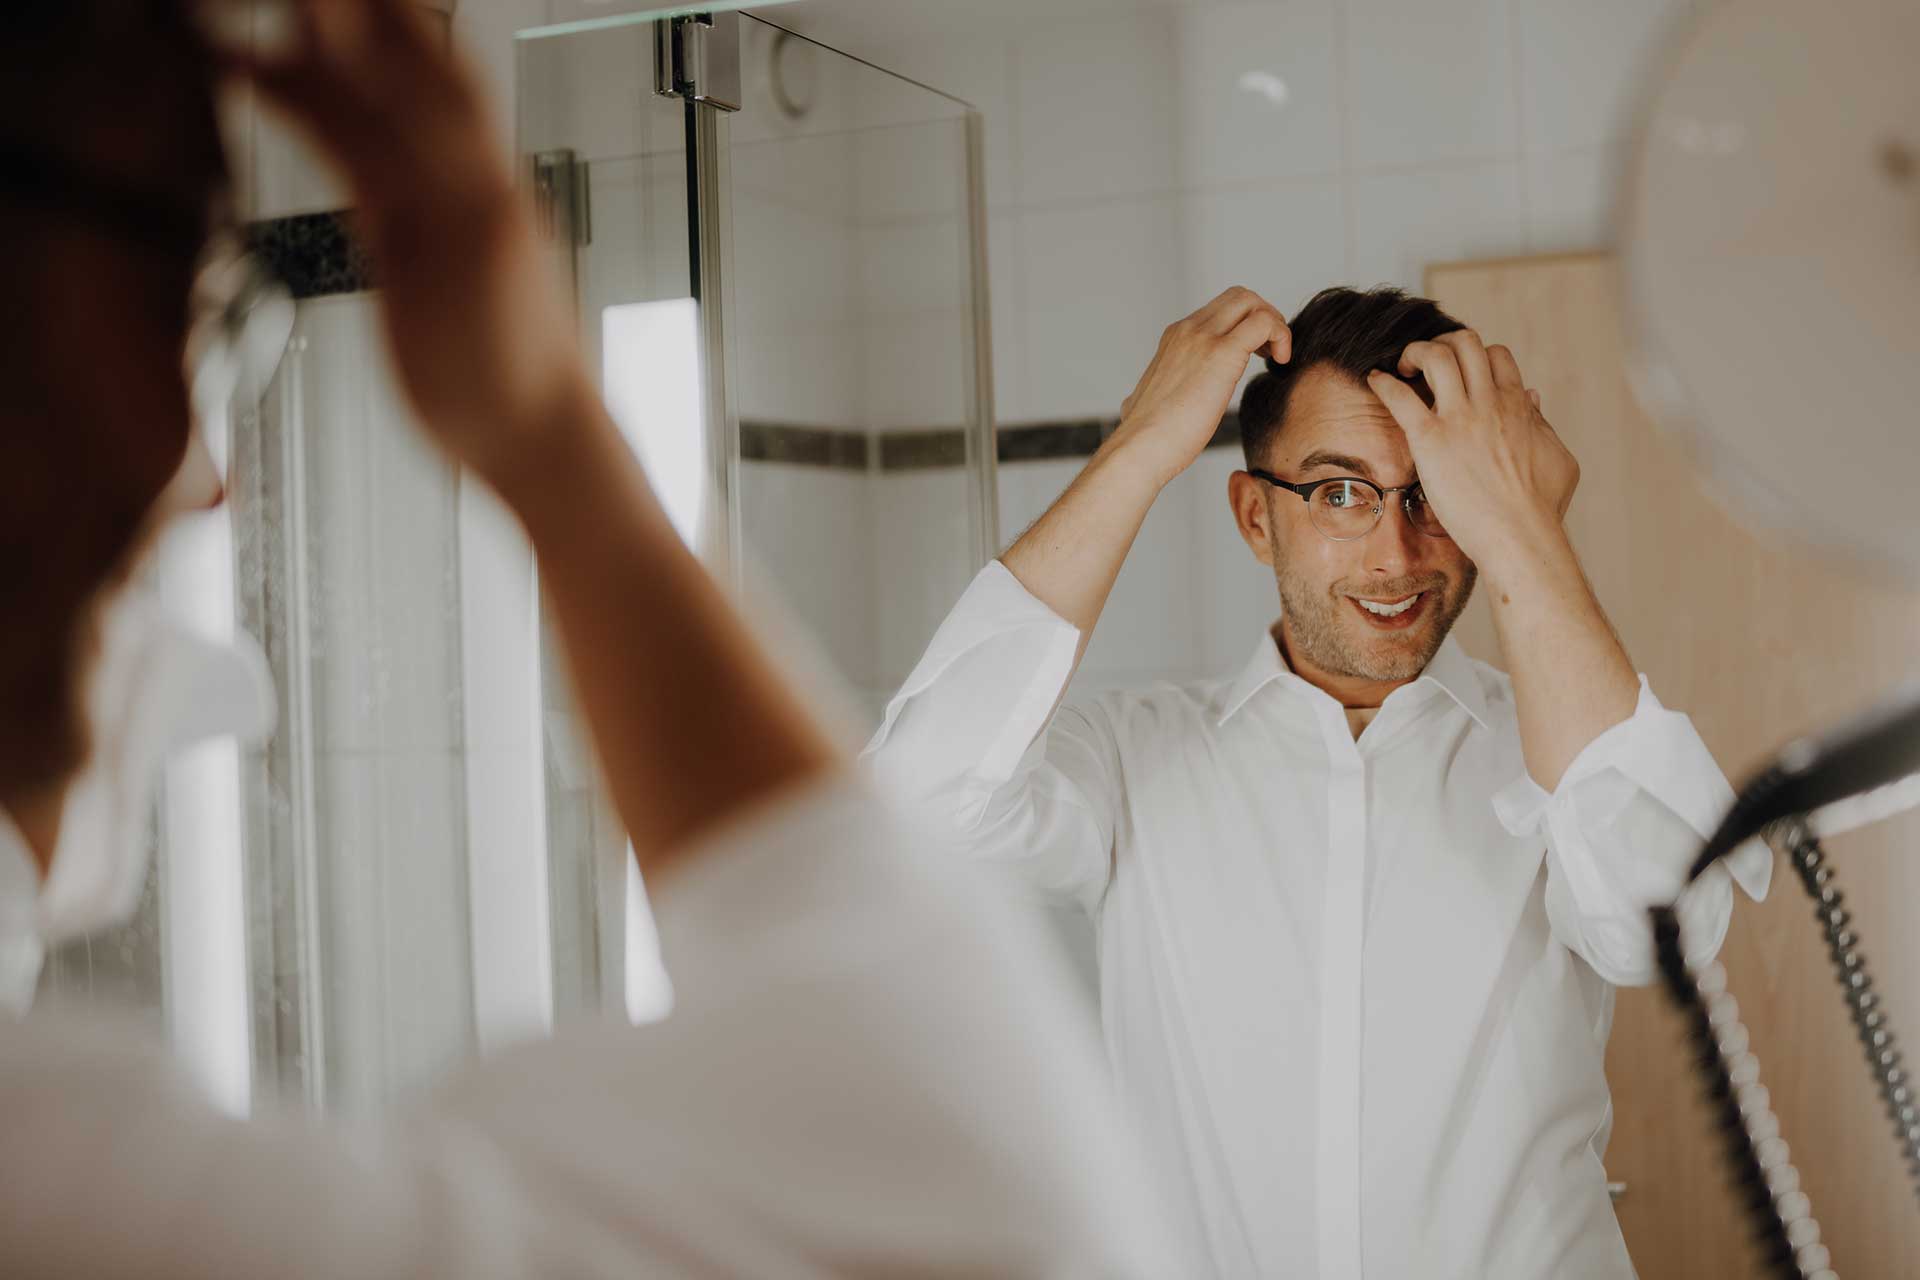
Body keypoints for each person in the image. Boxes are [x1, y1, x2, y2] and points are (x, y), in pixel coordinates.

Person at [0, 2, 1178, 1274]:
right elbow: (995, 1213)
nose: (204, 470)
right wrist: (546, 430)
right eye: (201, 302)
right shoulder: (79, 1186)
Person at [864, 283, 1773, 1278]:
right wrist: (1142, 447)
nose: (1396, 554)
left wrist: (1524, 528)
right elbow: (913, 799)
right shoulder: (1133, 759)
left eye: (1433, 494)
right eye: (1341, 492)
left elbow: (1660, 925)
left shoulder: (1559, 750)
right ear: (1258, 517)